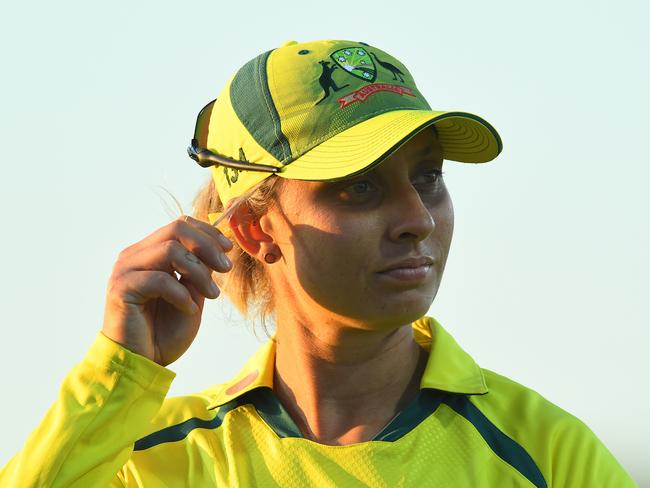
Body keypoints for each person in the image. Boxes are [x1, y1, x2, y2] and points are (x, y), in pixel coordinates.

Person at [0, 39, 636, 487]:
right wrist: (120, 374)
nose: (418, 217)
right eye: (359, 186)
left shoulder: (545, 454)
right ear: (255, 228)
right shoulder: (160, 460)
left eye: (429, 177)